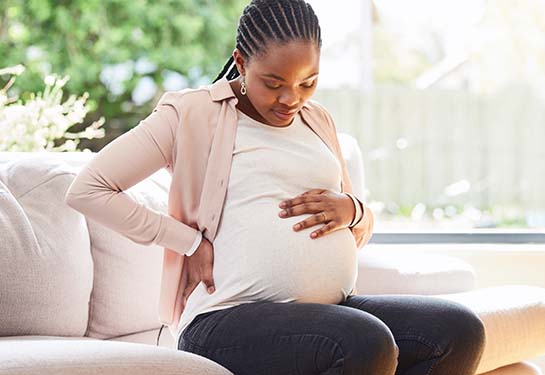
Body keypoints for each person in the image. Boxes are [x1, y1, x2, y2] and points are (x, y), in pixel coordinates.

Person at [65, 0, 486, 374]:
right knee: (365, 341)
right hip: (225, 320)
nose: (291, 99)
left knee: (456, 331)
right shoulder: (191, 114)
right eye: (274, 82)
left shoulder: (318, 120)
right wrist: (188, 242)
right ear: (242, 61)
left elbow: (356, 229)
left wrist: (354, 210)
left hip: (327, 314)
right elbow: (89, 188)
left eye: (308, 82)